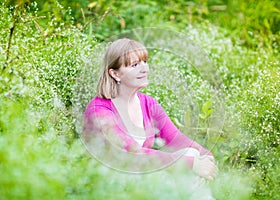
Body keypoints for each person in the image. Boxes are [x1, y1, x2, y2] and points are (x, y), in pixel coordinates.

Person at [83, 38, 218, 180]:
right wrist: (191, 164)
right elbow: (131, 154)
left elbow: (175, 139)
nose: (144, 69)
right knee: (181, 167)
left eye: (145, 62)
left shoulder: (148, 103)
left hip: (141, 177)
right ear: (115, 74)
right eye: (134, 65)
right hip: (112, 182)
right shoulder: (99, 110)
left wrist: (206, 156)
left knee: (191, 152)